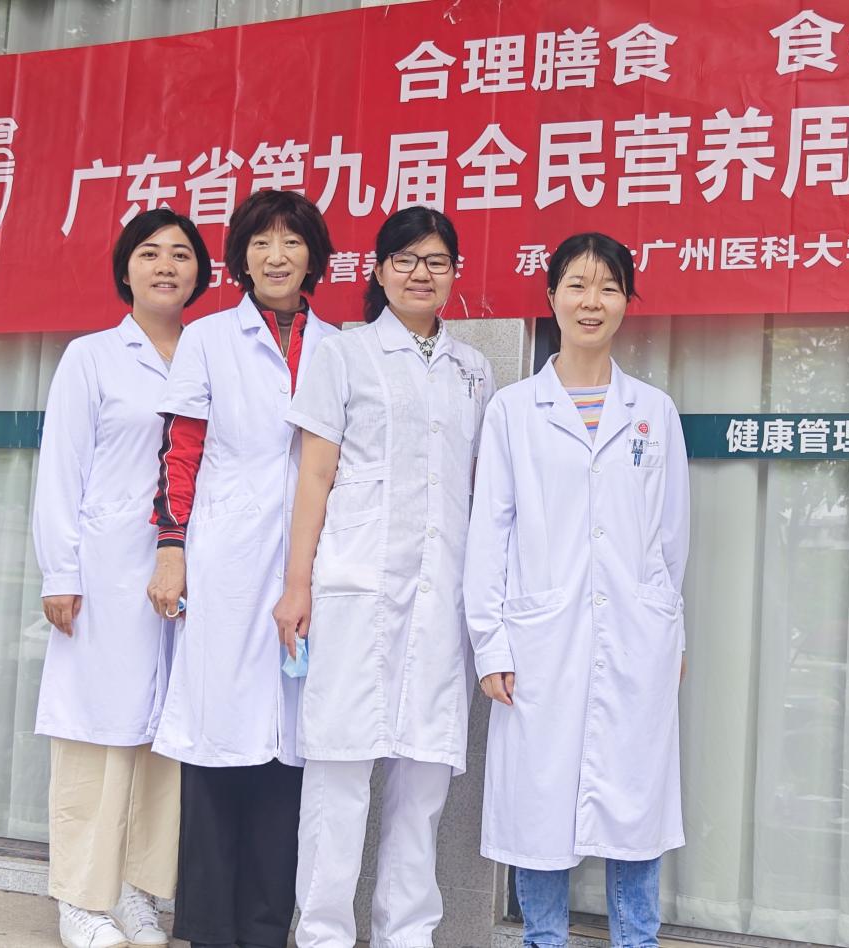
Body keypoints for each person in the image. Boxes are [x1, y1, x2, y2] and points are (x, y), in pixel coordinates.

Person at [272, 206, 494, 948]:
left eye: (436, 261)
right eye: (405, 259)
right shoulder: (345, 354)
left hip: (440, 595)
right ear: (377, 270)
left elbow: (474, 487)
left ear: (455, 273)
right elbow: (315, 475)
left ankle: (407, 934)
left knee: (422, 782)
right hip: (355, 588)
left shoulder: (473, 370)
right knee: (338, 775)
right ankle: (323, 935)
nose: (420, 273)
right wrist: (297, 584)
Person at [463, 232, 690, 948]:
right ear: (552, 296)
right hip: (539, 640)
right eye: (578, 285)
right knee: (538, 807)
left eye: (609, 287)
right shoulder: (513, 410)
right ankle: (543, 940)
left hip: (636, 636)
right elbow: (489, 534)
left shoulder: (653, 411)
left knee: (634, 806)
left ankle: (637, 941)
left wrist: (670, 630)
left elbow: (670, 539)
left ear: (627, 301)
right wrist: (491, 642)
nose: (593, 301)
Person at [146, 188, 338, 948]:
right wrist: (171, 547)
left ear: (314, 256)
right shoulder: (208, 339)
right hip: (224, 557)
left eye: (291, 241)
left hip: (308, 562)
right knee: (216, 742)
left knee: (289, 752)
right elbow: (180, 450)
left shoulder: (337, 346)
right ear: (242, 258)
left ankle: (264, 927)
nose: (276, 256)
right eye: (261, 242)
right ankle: (207, 928)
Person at [33, 207, 211, 948]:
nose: (166, 265)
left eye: (181, 254)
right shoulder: (93, 358)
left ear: (201, 272)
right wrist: (60, 570)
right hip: (106, 573)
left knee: (163, 738)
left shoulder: (207, 354)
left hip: (189, 575)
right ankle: (80, 898)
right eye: (150, 253)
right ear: (126, 269)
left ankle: (137, 890)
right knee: (96, 732)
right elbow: (60, 468)